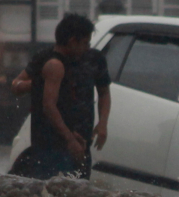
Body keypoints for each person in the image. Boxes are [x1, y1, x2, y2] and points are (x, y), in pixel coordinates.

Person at [9, 14, 111, 180]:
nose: (87, 47)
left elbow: (104, 92)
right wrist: (39, 83)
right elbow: (17, 86)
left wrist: (103, 123)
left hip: (80, 142)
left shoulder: (94, 59)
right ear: (72, 41)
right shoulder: (47, 60)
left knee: (77, 194)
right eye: (85, 43)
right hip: (50, 143)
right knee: (52, 191)